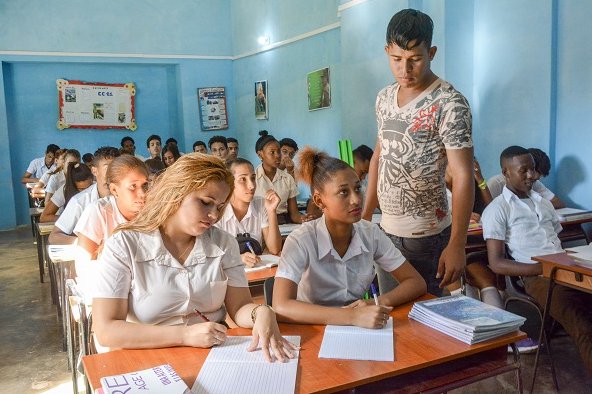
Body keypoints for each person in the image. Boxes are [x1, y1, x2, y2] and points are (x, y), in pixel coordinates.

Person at [92, 153, 297, 362]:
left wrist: (260, 311)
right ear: (177, 192)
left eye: (219, 207)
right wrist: (185, 335)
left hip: (212, 354)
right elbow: (106, 329)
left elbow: (239, 308)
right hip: (146, 357)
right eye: (206, 202)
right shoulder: (124, 244)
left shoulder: (223, 243)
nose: (214, 215)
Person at [361, 9, 474, 296]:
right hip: (386, 232)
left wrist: (457, 244)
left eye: (415, 60)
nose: (404, 70)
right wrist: (364, 219)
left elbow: (463, 175)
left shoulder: (449, 103)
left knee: (432, 321)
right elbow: (379, 157)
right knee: (394, 317)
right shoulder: (384, 98)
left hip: (428, 236)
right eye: (396, 59)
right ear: (387, 51)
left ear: (432, 52)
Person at [273, 147, 426, 328]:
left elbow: (416, 283)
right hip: (313, 328)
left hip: (362, 327)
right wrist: (351, 316)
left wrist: (375, 303)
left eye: (357, 188)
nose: (356, 199)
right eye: (343, 192)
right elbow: (281, 306)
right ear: (319, 201)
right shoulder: (301, 240)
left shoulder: (371, 233)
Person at [482, 145, 592, 366]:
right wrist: (544, 268)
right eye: (524, 170)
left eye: (532, 169)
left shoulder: (543, 203)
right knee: (584, 325)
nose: (531, 175)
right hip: (537, 277)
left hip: (566, 269)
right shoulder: (498, 209)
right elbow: (496, 263)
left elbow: (555, 243)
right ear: (506, 173)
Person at [74, 156, 149, 292]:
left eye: (145, 185)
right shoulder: (98, 211)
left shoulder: (153, 212)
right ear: (114, 190)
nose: (142, 193)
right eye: (133, 186)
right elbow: (83, 267)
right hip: (109, 287)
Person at [444, 157, 502, 309]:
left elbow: (492, 209)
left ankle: (500, 327)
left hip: (471, 250)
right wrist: (459, 215)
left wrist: (480, 179)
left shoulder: (468, 187)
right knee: (461, 282)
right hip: (445, 251)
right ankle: (470, 322)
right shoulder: (436, 190)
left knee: (486, 281)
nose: (463, 172)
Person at [215, 158, 282, 267]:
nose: (251, 186)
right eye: (243, 179)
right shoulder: (218, 210)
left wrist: (271, 211)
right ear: (229, 183)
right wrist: (239, 258)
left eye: (253, 178)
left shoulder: (261, 204)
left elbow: (274, 249)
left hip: (257, 271)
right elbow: (213, 256)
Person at [49, 147, 120, 245]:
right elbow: (54, 236)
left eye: (117, 168)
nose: (113, 173)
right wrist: (86, 244)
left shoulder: (129, 198)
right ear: (94, 171)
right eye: (108, 168)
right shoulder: (79, 201)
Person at [254, 131, 309, 224]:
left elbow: (294, 215)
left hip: (283, 223)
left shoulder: (288, 178)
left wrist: (305, 219)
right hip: (260, 225)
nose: (278, 156)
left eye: (279, 151)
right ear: (260, 155)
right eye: (272, 152)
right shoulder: (252, 179)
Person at [487, 147, 565, 209]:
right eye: (524, 171)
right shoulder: (495, 183)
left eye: (535, 179)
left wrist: (535, 206)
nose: (530, 176)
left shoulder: (533, 183)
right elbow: (486, 210)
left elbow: (558, 202)